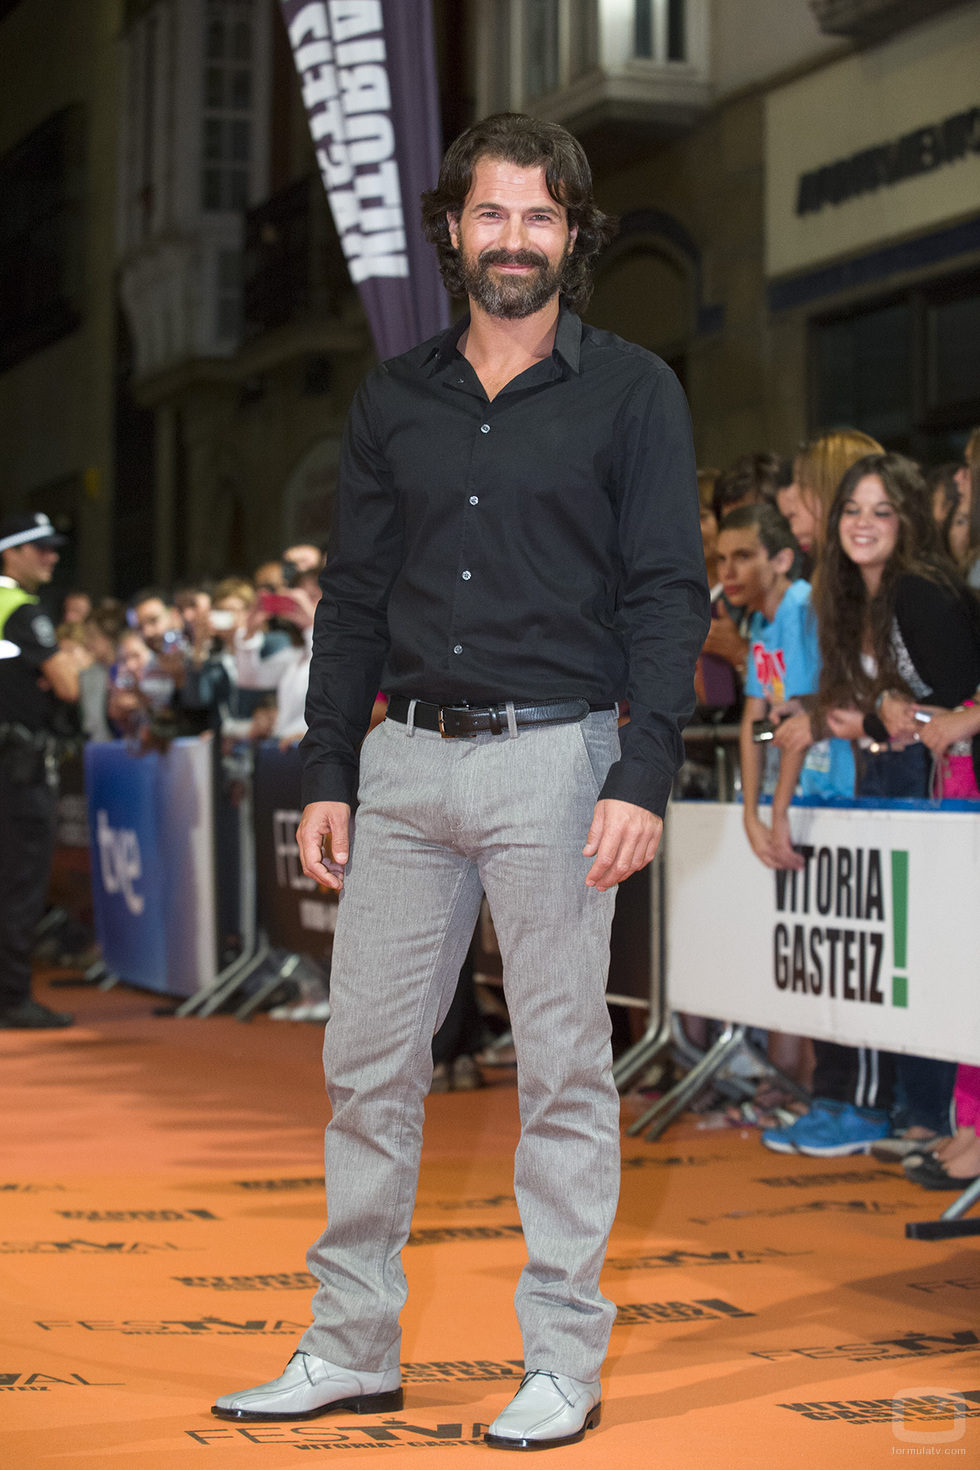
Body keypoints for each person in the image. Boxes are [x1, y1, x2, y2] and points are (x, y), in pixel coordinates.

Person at [212, 111, 709, 1450]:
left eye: (540, 218)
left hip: (561, 760)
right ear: (451, 228)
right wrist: (330, 767)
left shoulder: (635, 393)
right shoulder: (395, 398)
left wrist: (646, 770)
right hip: (405, 761)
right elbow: (357, 596)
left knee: (559, 1073)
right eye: (491, 215)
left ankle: (560, 1357)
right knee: (364, 1065)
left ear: (572, 236)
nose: (514, 240)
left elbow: (671, 591)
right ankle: (350, 1344)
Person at [0, 512, 80, 1028]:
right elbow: (69, 685)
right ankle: (11, 999)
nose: (51, 557)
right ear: (10, 553)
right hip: (18, 771)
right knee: (20, 884)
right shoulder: (23, 610)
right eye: (40, 548)